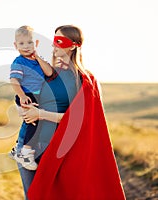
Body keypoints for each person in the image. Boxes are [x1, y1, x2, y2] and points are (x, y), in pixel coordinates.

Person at [18, 25, 126, 199]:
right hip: (29, 143)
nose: (54, 45)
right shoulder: (49, 73)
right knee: (32, 196)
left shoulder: (84, 80)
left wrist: (40, 114)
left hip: (58, 149)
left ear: (73, 46)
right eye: (54, 40)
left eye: (59, 41)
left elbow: (77, 120)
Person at [9, 25, 52, 171]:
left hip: (38, 95)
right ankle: (25, 152)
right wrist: (22, 96)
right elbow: (14, 81)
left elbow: (49, 72)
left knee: (30, 122)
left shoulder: (38, 60)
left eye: (29, 42)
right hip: (27, 95)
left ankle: (18, 149)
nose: (26, 46)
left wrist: (38, 57)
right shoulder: (19, 62)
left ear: (36, 44)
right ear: (15, 45)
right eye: (21, 43)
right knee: (33, 123)